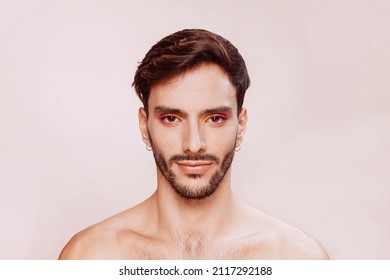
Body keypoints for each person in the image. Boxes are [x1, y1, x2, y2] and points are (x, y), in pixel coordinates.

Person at [59, 29, 329, 259]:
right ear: (145, 125)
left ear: (241, 124)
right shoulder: (92, 256)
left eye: (214, 118)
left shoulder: (297, 259)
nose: (194, 144)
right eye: (171, 118)